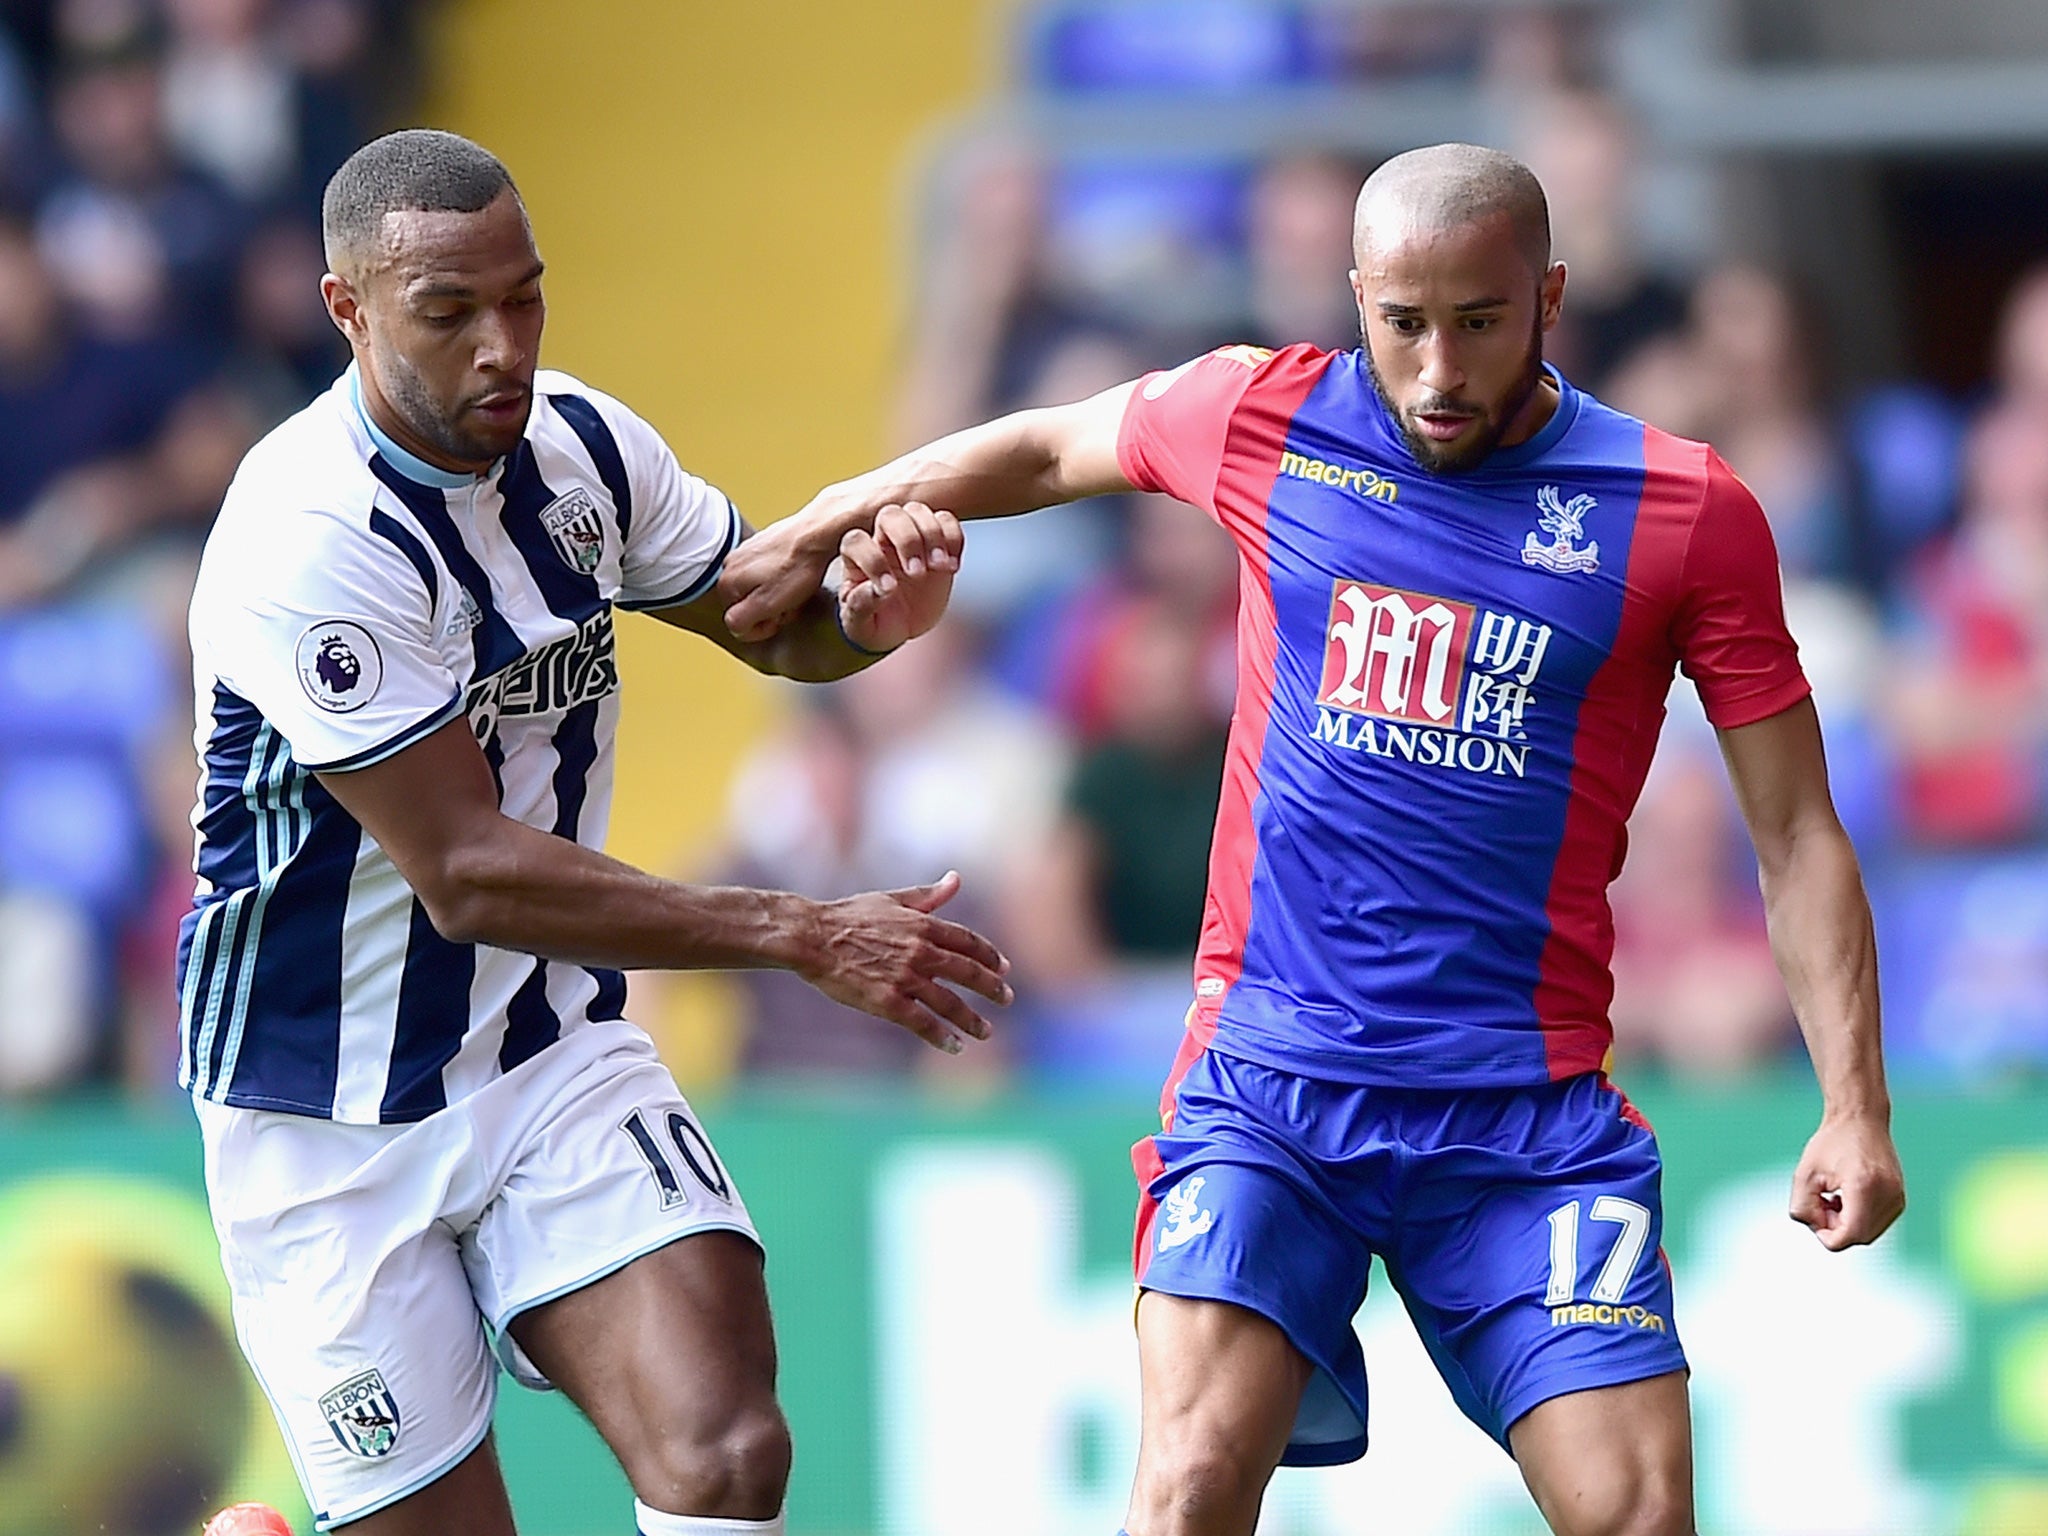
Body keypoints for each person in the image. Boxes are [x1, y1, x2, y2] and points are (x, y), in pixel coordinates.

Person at [725, 142, 1907, 1536]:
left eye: (1479, 323)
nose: (1439, 372)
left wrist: (1854, 1104)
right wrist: (818, 522)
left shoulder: (1682, 512)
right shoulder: (1265, 416)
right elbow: (1046, 446)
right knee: (1187, 1491)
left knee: (1639, 1516)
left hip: (1526, 1125)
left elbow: (1797, 834)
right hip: (1274, 1093)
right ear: (1358, 295)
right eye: (1403, 323)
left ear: (1550, 297)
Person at [181, 128, 1009, 1536]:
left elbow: (763, 620)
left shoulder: (581, 448)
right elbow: (466, 874)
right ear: (351, 312)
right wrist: (801, 932)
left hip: (545, 1051)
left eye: (525, 297)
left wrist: (868, 623)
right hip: (322, 1116)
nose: (503, 346)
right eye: (451, 314)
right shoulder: (305, 535)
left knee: (727, 1453)